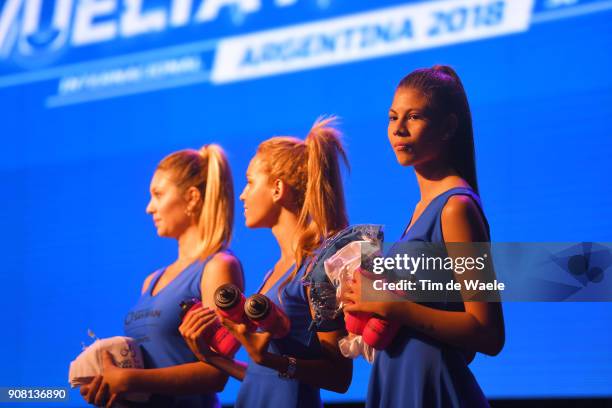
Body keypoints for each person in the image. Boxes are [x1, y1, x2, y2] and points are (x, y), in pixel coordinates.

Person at [342, 65, 505, 407]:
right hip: (397, 381)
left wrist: (393, 307)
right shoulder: (421, 209)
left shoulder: (455, 208)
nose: (398, 129)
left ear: (448, 127)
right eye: (392, 117)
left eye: (413, 117)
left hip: (433, 388)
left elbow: (489, 334)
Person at [180, 118, 353, 407]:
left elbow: (340, 377)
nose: (243, 194)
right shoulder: (275, 272)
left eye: (249, 182)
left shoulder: (317, 266)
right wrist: (211, 357)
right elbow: (264, 373)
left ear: (277, 189)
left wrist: (271, 359)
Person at [80, 145, 243, 407]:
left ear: (191, 198)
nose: (149, 208)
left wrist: (130, 380)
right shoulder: (151, 281)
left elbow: (216, 372)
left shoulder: (218, 266)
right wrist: (111, 387)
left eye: (158, 195)